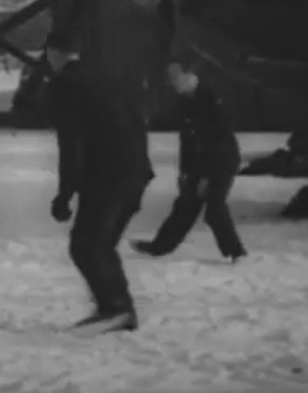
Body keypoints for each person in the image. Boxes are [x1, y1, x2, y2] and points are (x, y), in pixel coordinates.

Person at [45, 30, 154, 334]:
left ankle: (116, 309)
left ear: (52, 54)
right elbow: (137, 118)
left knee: (87, 245)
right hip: (133, 171)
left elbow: (72, 143)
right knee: (99, 244)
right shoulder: (106, 77)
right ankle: (116, 308)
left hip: (108, 174)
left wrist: (65, 194)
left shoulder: (66, 85)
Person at [131, 58, 247, 262]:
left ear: (190, 77)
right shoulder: (185, 102)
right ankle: (159, 247)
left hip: (221, 161)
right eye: (170, 77)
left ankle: (236, 252)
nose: (172, 82)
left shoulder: (210, 98)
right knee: (185, 205)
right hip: (199, 163)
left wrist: (206, 177)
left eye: (176, 76)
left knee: (214, 209)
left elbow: (217, 140)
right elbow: (187, 141)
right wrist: (184, 173)